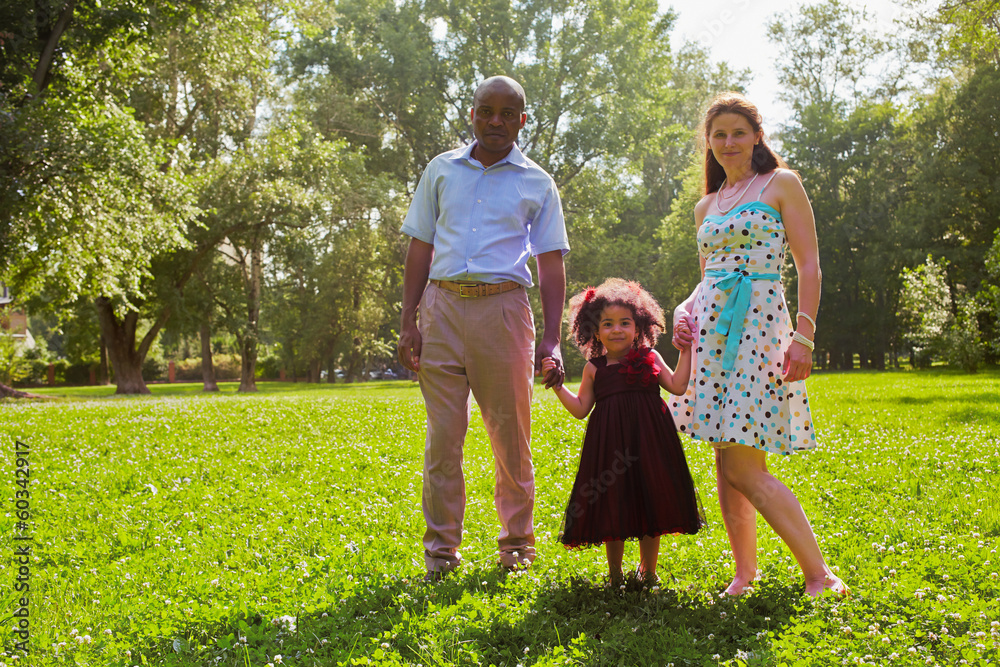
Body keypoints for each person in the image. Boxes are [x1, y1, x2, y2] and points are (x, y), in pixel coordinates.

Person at [668, 92, 848, 597]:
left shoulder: (781, 184)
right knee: (727, 460)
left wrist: (804, 335)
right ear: (709, 142)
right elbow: (708, 280)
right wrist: (684, 312)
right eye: (719, 134)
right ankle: (744, 574)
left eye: (738, 132)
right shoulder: (706, 205)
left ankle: (820, 574)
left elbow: (809, 264)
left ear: (756, 136)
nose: (729, 142)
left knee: (744, 466)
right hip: (713, 335)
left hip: (761, 327)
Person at [397, 75, 570, 581]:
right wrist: (409, 319)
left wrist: (553, 338)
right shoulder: (441, 171)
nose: (495, 121)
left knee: (511, 439)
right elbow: (420, 247)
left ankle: (517, 548)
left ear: (522, 119)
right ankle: (441, 555)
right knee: (443, 439)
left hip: (504, 310)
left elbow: (551, 263)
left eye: (506, 113)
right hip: (442, 308)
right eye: (485, 111)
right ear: (471, 114)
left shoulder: (536, 182)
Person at [542, 278, 704, 586]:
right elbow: (580, 409)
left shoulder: (651, 357)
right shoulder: (594, 367)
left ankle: (649, 571)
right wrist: (557, 386)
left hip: (650, 441)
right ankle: (615, 575)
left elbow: (679, 386)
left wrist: (686, 350)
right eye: (608, 324)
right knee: (612, 503)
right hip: (609, 444)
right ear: (595, 330)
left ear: (639, 326)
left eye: (624, 323)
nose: (616, 330)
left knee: (650, 500)